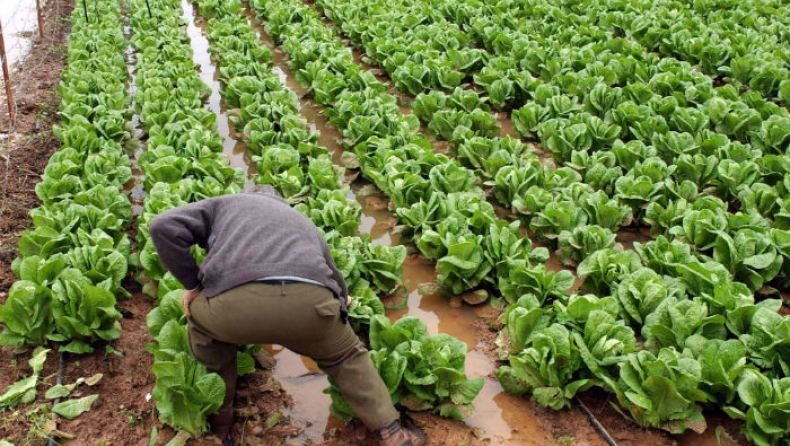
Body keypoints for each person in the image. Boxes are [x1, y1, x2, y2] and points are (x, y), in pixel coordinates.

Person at [149, 185, 425, 446]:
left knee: (201, 324)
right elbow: (334, 274)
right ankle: (393, 432)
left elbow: (162, 226)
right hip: (310, 305)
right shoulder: (301, 221)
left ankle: (220, 425)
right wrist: (340, 304)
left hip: (233, 310)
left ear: (247, 196)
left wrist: (194, 285)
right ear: (281, 203)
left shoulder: (225, 205)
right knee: (347, 356)